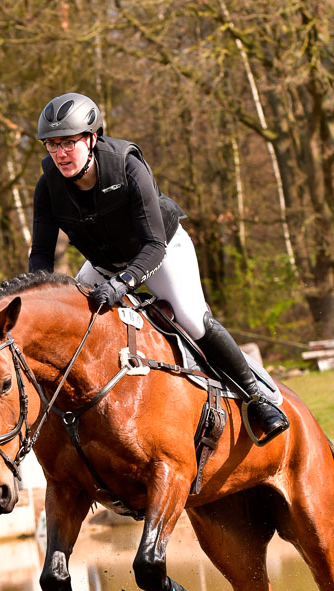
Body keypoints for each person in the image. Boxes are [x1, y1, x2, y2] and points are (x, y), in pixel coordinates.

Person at [29, 92, 289, 443]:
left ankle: (258, 398)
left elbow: (154, 245)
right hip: (104, 265)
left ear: (91, 139)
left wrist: (123, 283)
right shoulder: (48, 186)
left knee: (192, 318)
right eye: (52, 145)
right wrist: (34, 298)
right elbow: (41, 255)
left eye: (68, 143)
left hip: (162, 250)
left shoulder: (128, 167)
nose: (60, 154)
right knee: (72, 321)